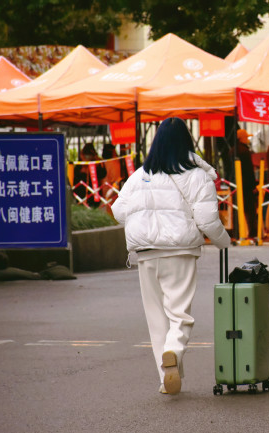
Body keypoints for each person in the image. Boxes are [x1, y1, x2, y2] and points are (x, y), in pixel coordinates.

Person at [112, 117, 231, 395]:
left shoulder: (139, 176)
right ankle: (174, 352)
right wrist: (224, 242)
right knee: (179, 314)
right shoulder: (197, 175)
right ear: (186, 143)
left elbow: (118, 211)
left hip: (145, 253)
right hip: (179, 251)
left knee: (156, 319)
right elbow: (207, 221)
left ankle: (165, 380)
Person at [230, 128, 258, 238]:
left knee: (237, 209)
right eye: (246, 137)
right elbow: (249, 171)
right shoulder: (245, 151)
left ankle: (237, 232)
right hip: (246, 185)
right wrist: (253, 186)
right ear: (243, 138)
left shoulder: (232, 150)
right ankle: (252, 232)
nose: (248, 140)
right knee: (250, 210)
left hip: (235, 184)